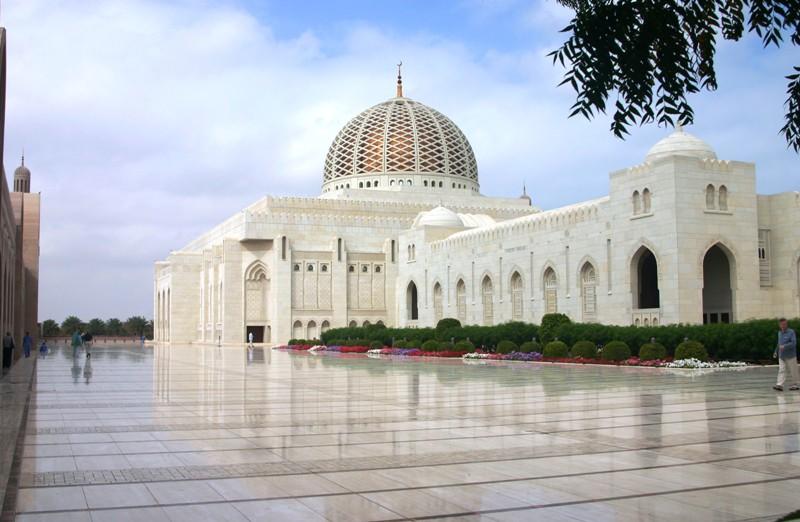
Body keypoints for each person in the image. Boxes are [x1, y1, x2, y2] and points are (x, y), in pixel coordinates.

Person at [774, 318, 798, 391]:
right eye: (782, 324)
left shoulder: (791, 332)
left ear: (787, 324)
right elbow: (779, 343)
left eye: (785, 324)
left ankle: (795, 384)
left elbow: (794, 343)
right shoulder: (779, 333)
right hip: (782, 356)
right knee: (782, 370)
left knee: (793, 370)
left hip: (791, 355)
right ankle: (779, 385)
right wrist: (775, 351)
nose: (783, 326)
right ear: (779, 325)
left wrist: (785, 346)